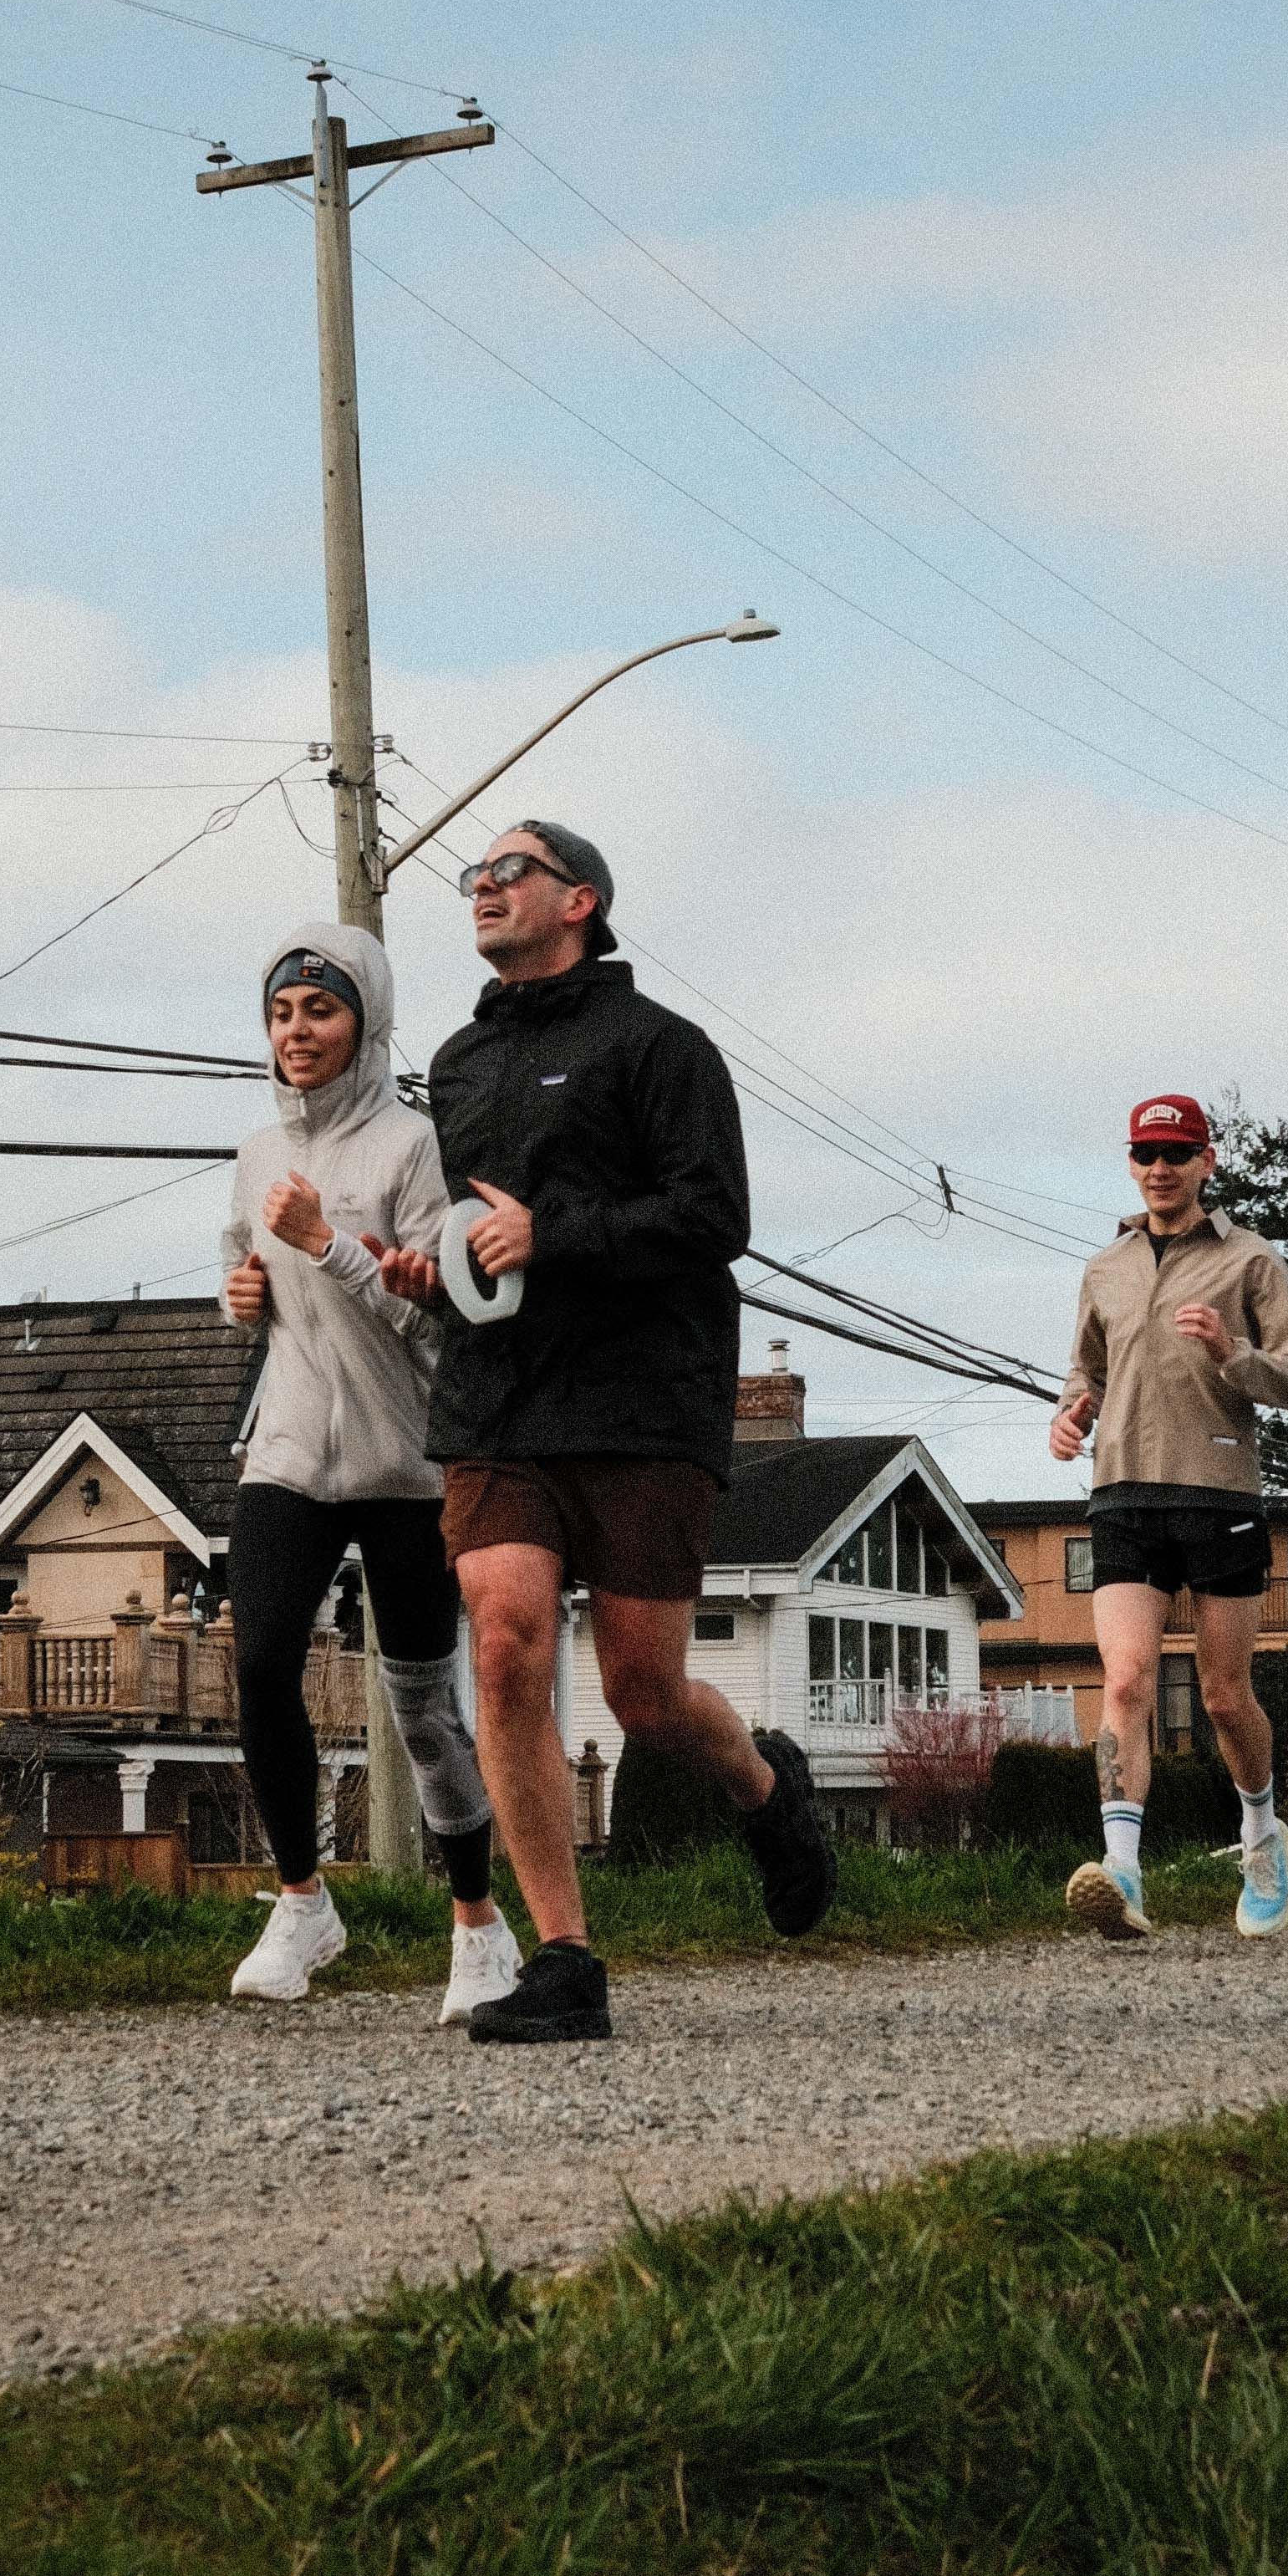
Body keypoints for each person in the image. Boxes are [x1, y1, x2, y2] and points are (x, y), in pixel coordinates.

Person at [374, 818, 834, 2043]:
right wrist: (435, 1276)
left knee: (645, 1691)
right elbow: (474, 1234)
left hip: (642, 1398)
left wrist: (556, 1238)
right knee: (508, 1646)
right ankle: (565, 1961)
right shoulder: (460, 1062)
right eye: (473, 875)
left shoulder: (661, 1049)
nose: (482, 884)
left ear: (579, 899)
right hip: (499, 1403)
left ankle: (763, 1784)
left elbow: (713, 1215)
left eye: (508, 869)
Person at [217, 925, 518, 2023]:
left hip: (405, 1465)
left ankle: (480, 1926)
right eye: (283, 1013)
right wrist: (241, 1295)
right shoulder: (257, 1153)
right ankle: (303, 1902)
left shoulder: (412, 1148)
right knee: (259, 1662)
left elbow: (438, 1317)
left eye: (322, 1012)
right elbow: (238, 1264)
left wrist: (330, 1246)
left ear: (366, 1024)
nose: (299, 1033)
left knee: (424, 1711)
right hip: (290, 1452)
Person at [1047, 1092, 1288, 1942]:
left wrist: (1228, 1353)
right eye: (1145, 1152)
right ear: (1131, 1163)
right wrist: (1070, 1416)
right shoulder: (1105, 1266)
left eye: (1176, 1153)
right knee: (1124, 1681)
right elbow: (1084, 1370)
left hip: (1219, 1492)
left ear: (1207, 1162)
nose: (1159, 1167)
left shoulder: (1251, 1261)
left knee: (1224, 1695)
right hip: (1123, 1491)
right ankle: (1121, 1873)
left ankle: (1262, 1838)